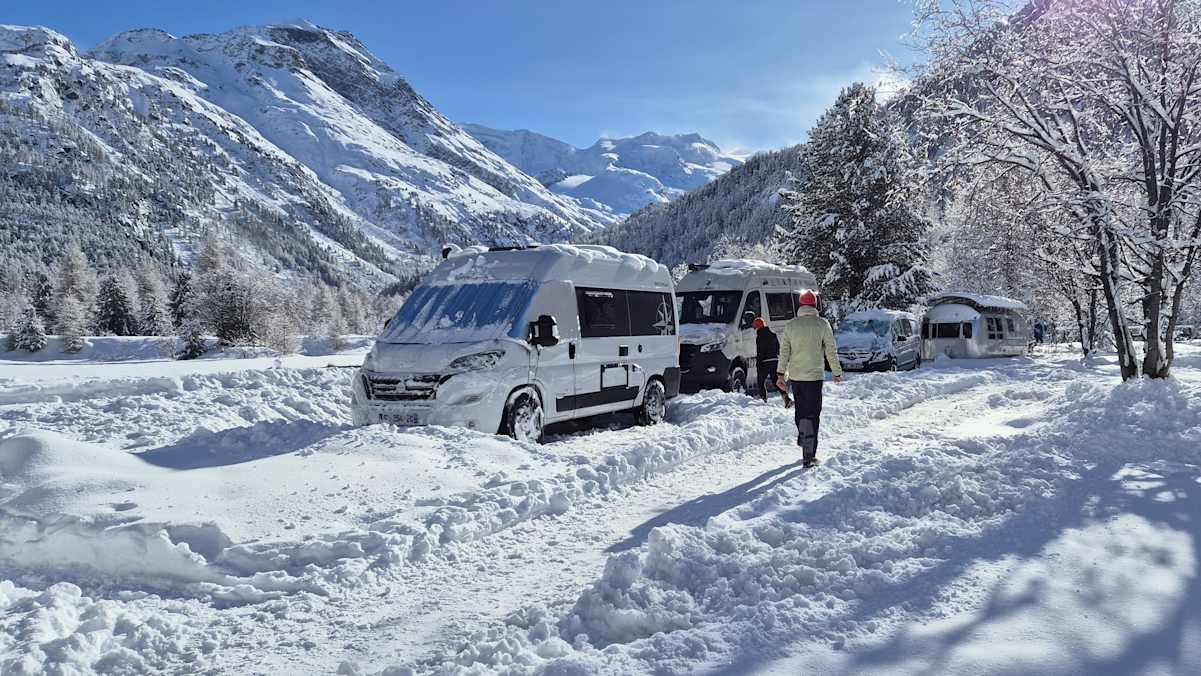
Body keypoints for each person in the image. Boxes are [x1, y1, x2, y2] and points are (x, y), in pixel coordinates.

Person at [776, 291, 843, 467]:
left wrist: (780, 374)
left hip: (796, 376)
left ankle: (803, 435)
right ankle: (809, 455)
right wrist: (836, 372)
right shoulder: (822, 324)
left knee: (801, 410)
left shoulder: (791, 325)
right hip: (814, 377)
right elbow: (831, 350)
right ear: (814, 305)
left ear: (800, 305)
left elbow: (784, 352)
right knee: (813, 414)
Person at [752, 317, 792, 407]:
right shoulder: (773, 334)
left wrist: (758, 365)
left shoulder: (760, 337)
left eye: (756, 328)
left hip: (765, 362)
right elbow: (778, 349)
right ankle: (786, 398)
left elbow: (760, 352)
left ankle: (764, 400)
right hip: (775, 361)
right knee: (776, 381)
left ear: (758, 327)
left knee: (761, 381)